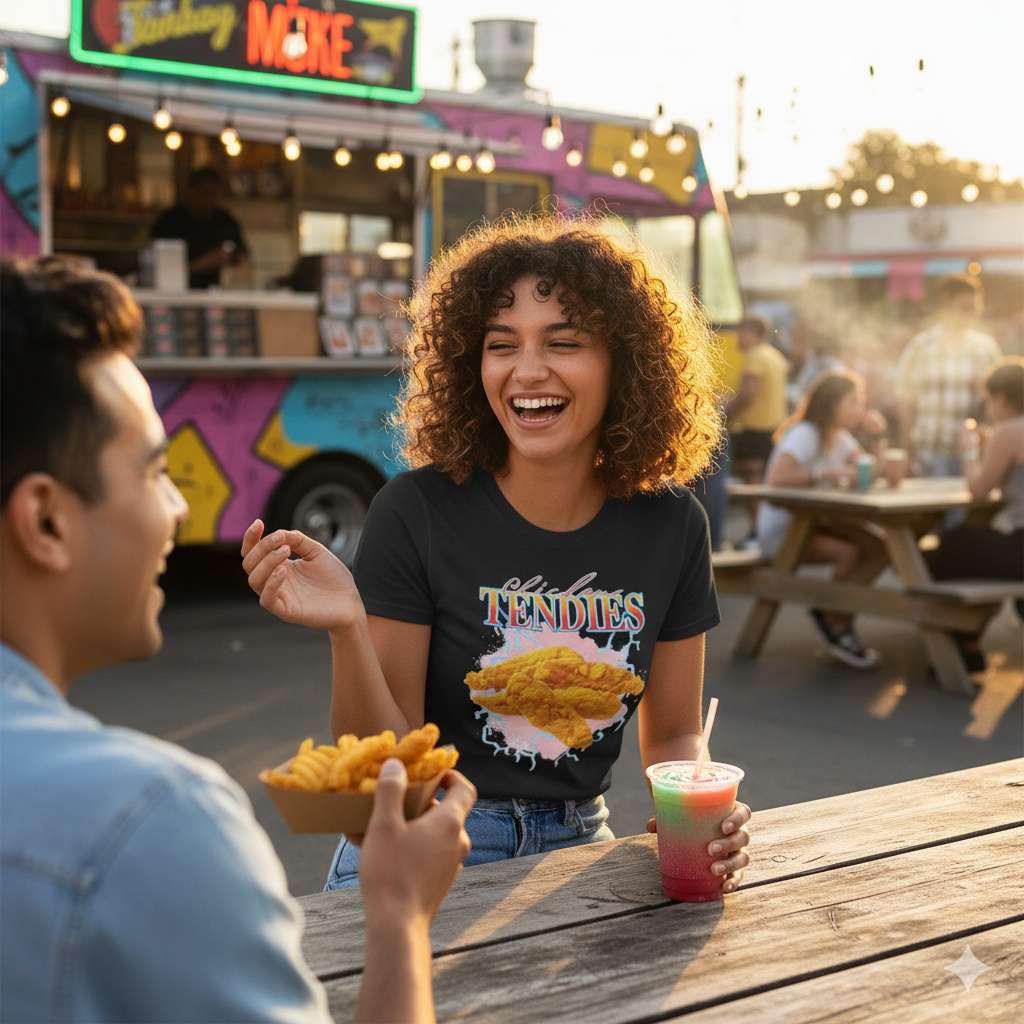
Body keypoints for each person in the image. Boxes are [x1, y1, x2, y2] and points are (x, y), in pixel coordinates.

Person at [0, 257, 475, 1024]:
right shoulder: (151, 823)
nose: (180, 508)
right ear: (47, 521)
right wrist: (399, 915)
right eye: (156, 472)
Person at [241, 217, 753, 893]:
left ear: (626, 362)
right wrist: (348, 629)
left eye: (563, 342)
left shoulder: (673, 526)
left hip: (580, 843)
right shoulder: (414, 511)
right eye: (501, 344)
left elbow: (676, 738)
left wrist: (696, 811)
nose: (527, 370)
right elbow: (386, 764)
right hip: (430, 835)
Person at [756, 371, 889, 670]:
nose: (860, 408)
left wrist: (878, 438)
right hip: (785, 531)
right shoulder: (805, 433)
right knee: (850, 552)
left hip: (818, 523)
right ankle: (838, 623)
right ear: (832, 404)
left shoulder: (841, 437)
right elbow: (777, 478)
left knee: (880, 547)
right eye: (854, 401)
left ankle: (833, 611)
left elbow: (869, 472)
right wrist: (826, 474)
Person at [925, 357, 1024, 673]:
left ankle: (964, 643)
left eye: (988, 401)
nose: (988, 409)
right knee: (973, 540)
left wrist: (969, 450)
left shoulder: (1009, 431)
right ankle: (969, 640)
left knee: (947, 548)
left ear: (1001, 398)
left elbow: (979, 490)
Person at [894, 274, 1002, 477]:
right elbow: (905, 403)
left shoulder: (986, 349)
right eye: (964, 308)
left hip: (970, 456)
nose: (970, 314)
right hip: (927, 453)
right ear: (945, 307)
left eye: (975, 308)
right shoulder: (920, 347)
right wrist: (906, 452)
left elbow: (999, 403)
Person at [152, 167, 249, 289]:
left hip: (215, 291)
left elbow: (241, 255)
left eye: (214, 194)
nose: (208, 200)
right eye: (204, 193)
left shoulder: (225, 220)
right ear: (190, 191)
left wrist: (225, 257)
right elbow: (154, 257)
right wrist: (197, 266)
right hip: (171, 290)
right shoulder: (169, 220)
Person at [727, 315, 789, 483]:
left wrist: (724, 409)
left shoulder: (755, 357)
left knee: (751, 479)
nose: (736, 337)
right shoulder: (775, 355)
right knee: (759, 478)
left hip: (754, 430)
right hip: (772, 428)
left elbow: (748, 394)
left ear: (750, 332)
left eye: (739, 332)